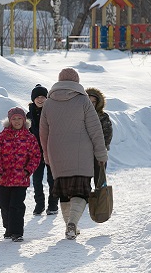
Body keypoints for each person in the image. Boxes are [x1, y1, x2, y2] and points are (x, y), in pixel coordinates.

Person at [39, 68, 108, 240]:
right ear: (76, 81)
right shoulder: (83, 100)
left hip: (56, 151)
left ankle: (69, 225)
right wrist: (101, 153)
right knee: (80, 190)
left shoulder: (48, 102)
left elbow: (43, 133)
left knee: (64, 191)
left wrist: (47, 155)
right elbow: (95, 129)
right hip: (81, 152)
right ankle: (73, 223)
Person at [0, 106, 41, 242]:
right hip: (4, 178)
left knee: (17, 205)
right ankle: (8, 227)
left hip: (20, 179)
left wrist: (27, 170)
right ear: (10, 121)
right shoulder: (1, 137)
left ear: (24, 120)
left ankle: (17, 232)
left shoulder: (30, 138)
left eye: (20, 118)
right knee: (4, 204)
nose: (17, 121)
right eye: (14, 119)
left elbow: (36, 157)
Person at [26, 84, 58, 216]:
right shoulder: (28, 115)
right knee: (37, 180)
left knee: (52, 179)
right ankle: (39, 205)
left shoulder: (52, 112)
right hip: (36, 152)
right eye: (37, 97)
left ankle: (53, 204)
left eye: (43, 97)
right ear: (33, 99)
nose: (40, 99)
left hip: (50, 150)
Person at [85, 87, 113, 188]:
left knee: (100, 182)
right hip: (83, 154)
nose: (91, 104)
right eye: (89, 101)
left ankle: (100, 202)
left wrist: (101, 149)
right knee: (83, 182)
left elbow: (107, 135)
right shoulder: (80, 116)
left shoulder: (103, 117)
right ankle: (86, 201)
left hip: (99, 154)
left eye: (94, 101)